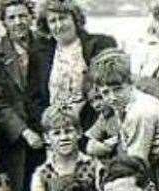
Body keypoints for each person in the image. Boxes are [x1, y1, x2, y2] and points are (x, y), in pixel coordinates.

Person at [90, 49, 159, 191]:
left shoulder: (140, 110)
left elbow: (137, 160)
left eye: (118, 90)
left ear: (130, 82)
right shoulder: (124, 106)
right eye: (105, 92)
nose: (112, 97)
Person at [0, 0, 48, 191]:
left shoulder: (45, 47)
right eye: (12, 18)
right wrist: (24, 131)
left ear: (31, 17)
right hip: (12, 138)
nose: (18, 22)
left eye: (23, 16)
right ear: (4, 22)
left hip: (45, 133)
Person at [32, 0, 117, 133]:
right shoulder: (40, 55)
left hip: (95, 126)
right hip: (58, 132)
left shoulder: (100, 44)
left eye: (63, 18)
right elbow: (35, 98)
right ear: (47, 26)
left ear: (75, 19)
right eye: (53, 21)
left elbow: (112, 88)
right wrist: (47, 120)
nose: (59, 25)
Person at [26, 104, 98, 191]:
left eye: (68, 131)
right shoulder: (42, 174)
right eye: (56, 133)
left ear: (79, 132)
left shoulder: (94, 166)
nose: (63, 138)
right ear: (47, 138)